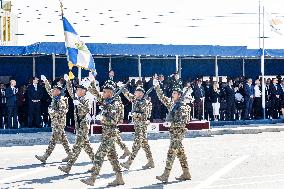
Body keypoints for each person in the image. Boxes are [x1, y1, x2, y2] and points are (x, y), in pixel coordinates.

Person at [81, 74, 124, 187]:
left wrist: (102, 117)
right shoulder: (106, 100)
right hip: (106, 133)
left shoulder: (115, 104)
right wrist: (90, 83)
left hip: (111, 133)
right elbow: (95, 93)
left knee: (99, 156)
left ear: (110, 92)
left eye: (104, 92)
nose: (103, 93)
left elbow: (114, 120)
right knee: (113, 157)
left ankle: (92, 178)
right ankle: (119, 178)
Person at [153, 78, 191, 183]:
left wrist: (171, 123)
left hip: (178, 133)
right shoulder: (173, 104)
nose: (172, 94)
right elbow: (162, 97)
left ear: (179, 95)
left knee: (171, 152)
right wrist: (157, 87)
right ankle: (186, 172)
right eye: (172, 92)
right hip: (173, 132)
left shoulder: (183, 107)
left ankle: (166, 175)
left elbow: (183, 122)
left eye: (174, 93)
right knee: (180, 153)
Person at [58, 75, 95, 174]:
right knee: (87, 146)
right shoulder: (77, 97)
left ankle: (68, 167)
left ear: (84, 91)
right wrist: (68, 81)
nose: (77, 90)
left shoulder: (87, 99)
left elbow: (85, 110)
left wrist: (78, 104)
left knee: (77, 147)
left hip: (83, 124)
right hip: (79, 125)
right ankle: (97, 164)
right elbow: (70, 91)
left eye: (79, 89)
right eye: (77, 89)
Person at [35, 75, 71, 164]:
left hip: (59, 123)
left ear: (58, 92)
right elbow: (48, 90)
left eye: (54, 90)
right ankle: (71, 154)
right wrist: (46, 81)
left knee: (53, 140)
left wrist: (52, 111)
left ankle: (45, 156)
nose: (52, 91)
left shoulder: (60, 100)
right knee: (63, 139)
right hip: (56, 123)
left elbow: (62, 112)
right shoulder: (55, 97)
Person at [120, 85, 154, 170]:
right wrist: (122, 88)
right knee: (145, 144)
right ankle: (151, 162)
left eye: (136, 92)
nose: (134, 93)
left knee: (137, 144)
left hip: (141, 125)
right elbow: (128, 95)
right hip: (138, 125)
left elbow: (145, 115)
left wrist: (135, 114)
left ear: (141, 93)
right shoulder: (136, 99)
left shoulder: (144, 102)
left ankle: (128, 162)